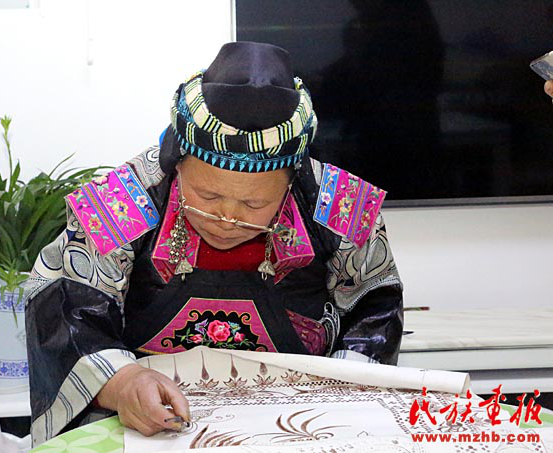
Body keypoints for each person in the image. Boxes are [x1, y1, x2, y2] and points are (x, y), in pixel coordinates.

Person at [24, 42, 404, 446]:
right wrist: (122, 382)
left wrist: (339, 400)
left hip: (298, 423)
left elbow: (373, 310)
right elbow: (66, 304)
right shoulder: (122, 201)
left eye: (253, 204)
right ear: (176, 161)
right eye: (207, 196)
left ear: (293, 177)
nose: (227, 219)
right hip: (151, 422)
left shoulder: (341, 206)